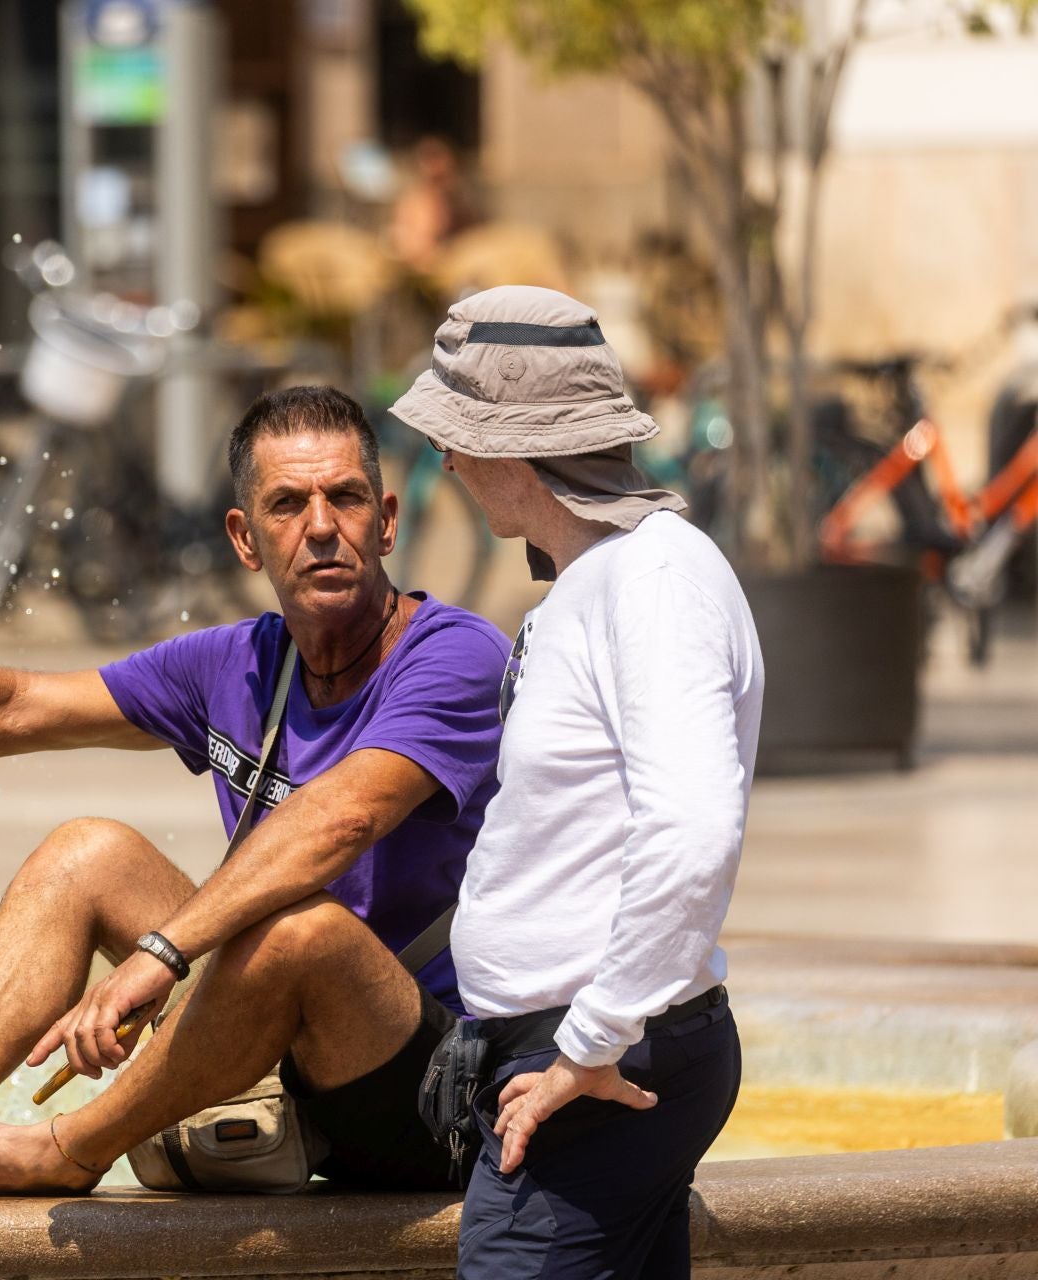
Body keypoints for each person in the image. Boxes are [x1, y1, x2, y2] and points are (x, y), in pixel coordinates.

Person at [0, 385, 509, 1200]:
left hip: (427, 1090)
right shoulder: (237, 663)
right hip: (280, 1052)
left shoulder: (454, 656)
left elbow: (342, 817)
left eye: (347, 498)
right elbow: (12, 706)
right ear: (246, 539)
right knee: (88, 852)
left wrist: (160, 955)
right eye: (288, 504)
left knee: (304, 933)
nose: (322, 527)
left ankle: (70, 1148)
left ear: (388, 521)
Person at [391, 286, 763, 1278]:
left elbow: (692, 824)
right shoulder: (600, 578)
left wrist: (590, 1041)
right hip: (579, 1052)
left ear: (510, 449)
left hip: (598, 1064)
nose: (449, 464)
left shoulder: (649, 582)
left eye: (452, 439)